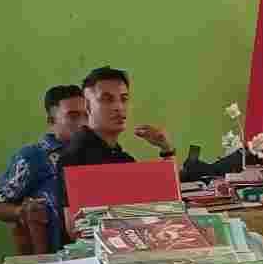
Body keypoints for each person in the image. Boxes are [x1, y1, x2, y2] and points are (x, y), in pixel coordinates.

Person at [59, 66, 176, 233]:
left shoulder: (121, 157)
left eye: (124, 99)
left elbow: (168, 205)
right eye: (107, 99)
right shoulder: (75, 157)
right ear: (87, 106)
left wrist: (166, 149)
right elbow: (76, 230)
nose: (119, 107)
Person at [0, 82, 86, 254]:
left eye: (87, 115)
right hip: (55, 256)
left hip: (96, 249)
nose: (83, 123)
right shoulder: (33, 157)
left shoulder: (97, 153)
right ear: (51, 121)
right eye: (73, 116)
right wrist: (21, 211)